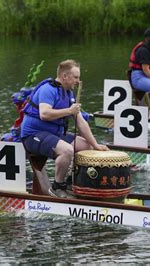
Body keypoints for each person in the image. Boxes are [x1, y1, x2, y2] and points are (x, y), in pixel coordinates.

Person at [21, 59, 109, 198]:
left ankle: (70, 182)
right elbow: (44, 114)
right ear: (64, 76)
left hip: (53, 134)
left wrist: (95, 144)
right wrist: (69, 111)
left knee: (87, 147)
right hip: (33, 135)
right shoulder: (48, 89)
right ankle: (57, 187)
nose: (78, 81)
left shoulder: (69, 93)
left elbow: (81, 123)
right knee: (67, 150)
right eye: (75, 77)